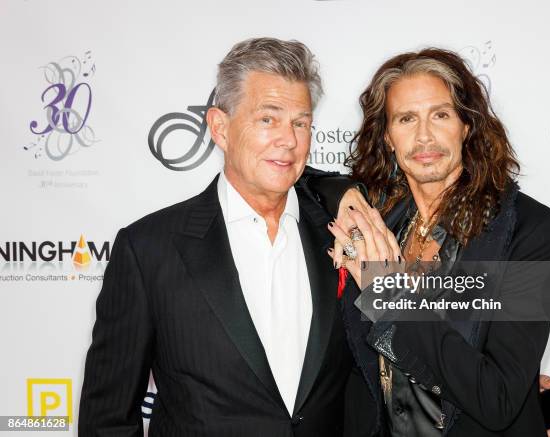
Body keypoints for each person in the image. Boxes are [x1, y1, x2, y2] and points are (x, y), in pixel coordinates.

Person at [78, 37, 354, 437]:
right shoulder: (149, 250)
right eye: (268, 119)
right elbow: (107, 419)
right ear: (220, 128)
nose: (289, 140)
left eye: (301, 123)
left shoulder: (346, 232)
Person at [310, 48, 550, 436]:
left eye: (441, 114)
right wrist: (346, 193)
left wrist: (388, 292)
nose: (424, 135)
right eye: (406, 118)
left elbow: (496, 399)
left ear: (467, 125)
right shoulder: (379, 218)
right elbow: (297, 177)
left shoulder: (531, 230)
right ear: (387, 135)